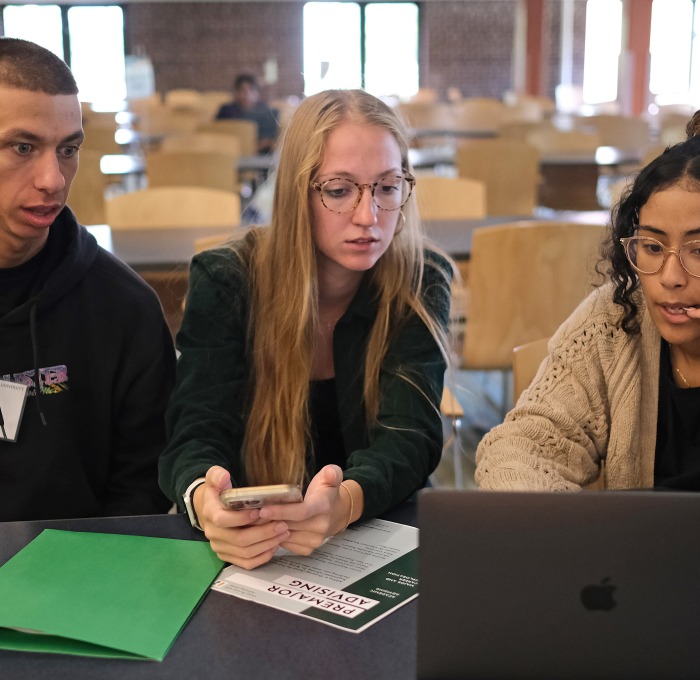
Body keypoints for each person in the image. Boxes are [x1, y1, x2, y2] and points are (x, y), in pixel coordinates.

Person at [160, 89, 452, 569]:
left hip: (382, 531)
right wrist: (205, 504)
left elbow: (409, 437)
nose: (368, 216)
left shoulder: (421, 279)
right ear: (299, 192)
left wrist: (347, 503)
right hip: (255, 548)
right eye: (339, 190)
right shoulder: (227, 280)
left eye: (387, 186)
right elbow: (195, 430)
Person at [0, 37, 176, 521]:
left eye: (69, 149)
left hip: (83, 576)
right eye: (22, 147)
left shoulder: (125, 307)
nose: (53, 180)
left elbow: (144, 485)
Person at [476, 127, 700, 492]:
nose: (670, 277)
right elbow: (520, 445)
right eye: (653, 247)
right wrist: (566, 531)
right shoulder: (616, 316)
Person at [216, 73, 279, 154]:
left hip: (259, 158)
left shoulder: (268, 113)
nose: (246, 94)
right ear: (236, 92)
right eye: (242, 90)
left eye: (251, 90)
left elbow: (270, 140)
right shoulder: (226, 112)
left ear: (257, 93)